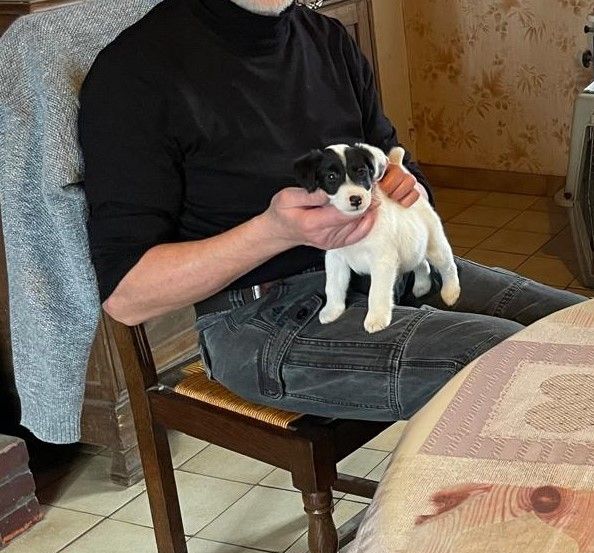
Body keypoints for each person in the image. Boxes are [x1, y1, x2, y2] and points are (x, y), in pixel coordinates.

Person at [79, 0, 583, 422]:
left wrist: (405, 187)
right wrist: (275, 232)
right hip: (260, 322)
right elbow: (127, 297)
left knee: (578, 327)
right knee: (524, 370)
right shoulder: (135, 72)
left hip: (384, 266)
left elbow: (397, 165)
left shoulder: (327, 39)